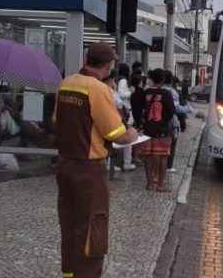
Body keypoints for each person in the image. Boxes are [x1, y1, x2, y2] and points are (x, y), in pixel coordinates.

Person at [53, 43, 139, 278]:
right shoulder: (97, 88)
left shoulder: (67, 83)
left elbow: (56, 121)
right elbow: (116, 134)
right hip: (89, 170)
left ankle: (69, 273)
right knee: (92, 226)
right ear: (109, 65)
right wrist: (133, 134)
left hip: (65, 165)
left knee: (69, 223)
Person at [140, 68, 175, 192]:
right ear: (163, 79)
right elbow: (171, 111)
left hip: (148, 129)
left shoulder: (145, 92)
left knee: (148, 156)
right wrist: (163, 121)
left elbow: (140, 110)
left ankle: (149, 184)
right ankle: (160, 185)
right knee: (163, 156)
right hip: (163, 129)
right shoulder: (166, 93)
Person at [162, 71, 187, 173]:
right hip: (171, 122)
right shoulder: (173, 92)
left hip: (156, 122)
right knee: (171, 145)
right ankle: (168, 166)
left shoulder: (155, 90)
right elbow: (177, 109)